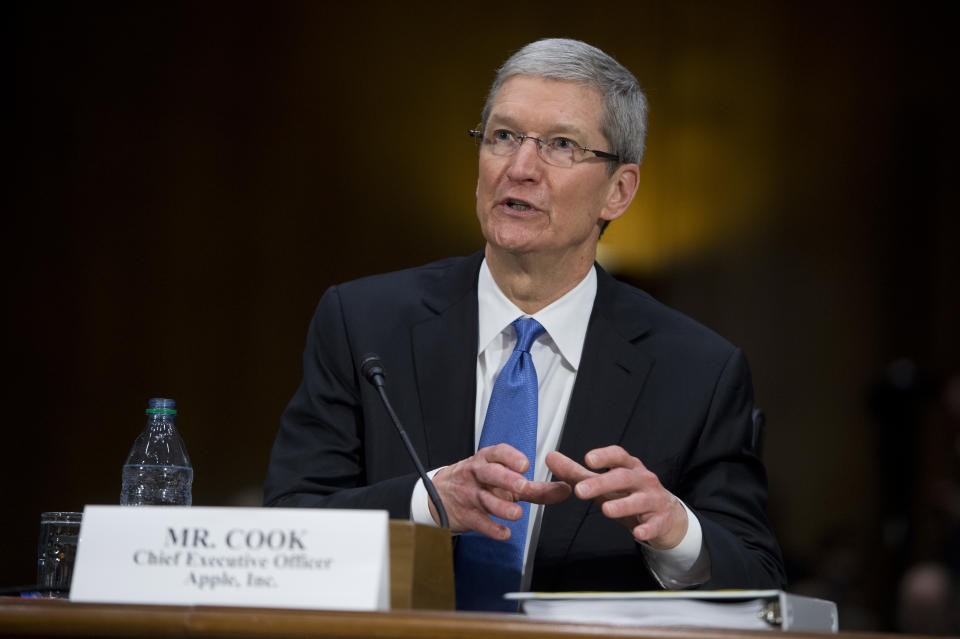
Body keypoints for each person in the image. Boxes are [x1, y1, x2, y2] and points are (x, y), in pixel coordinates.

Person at [264, 38, 785, 610]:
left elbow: (759, 579)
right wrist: (426, 502)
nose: (519, 168)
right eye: (503, 136)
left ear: (618, 190)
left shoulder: (697, 370)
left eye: (561, 145)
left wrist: (677, 532)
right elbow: (290, 522)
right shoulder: (364, 322)